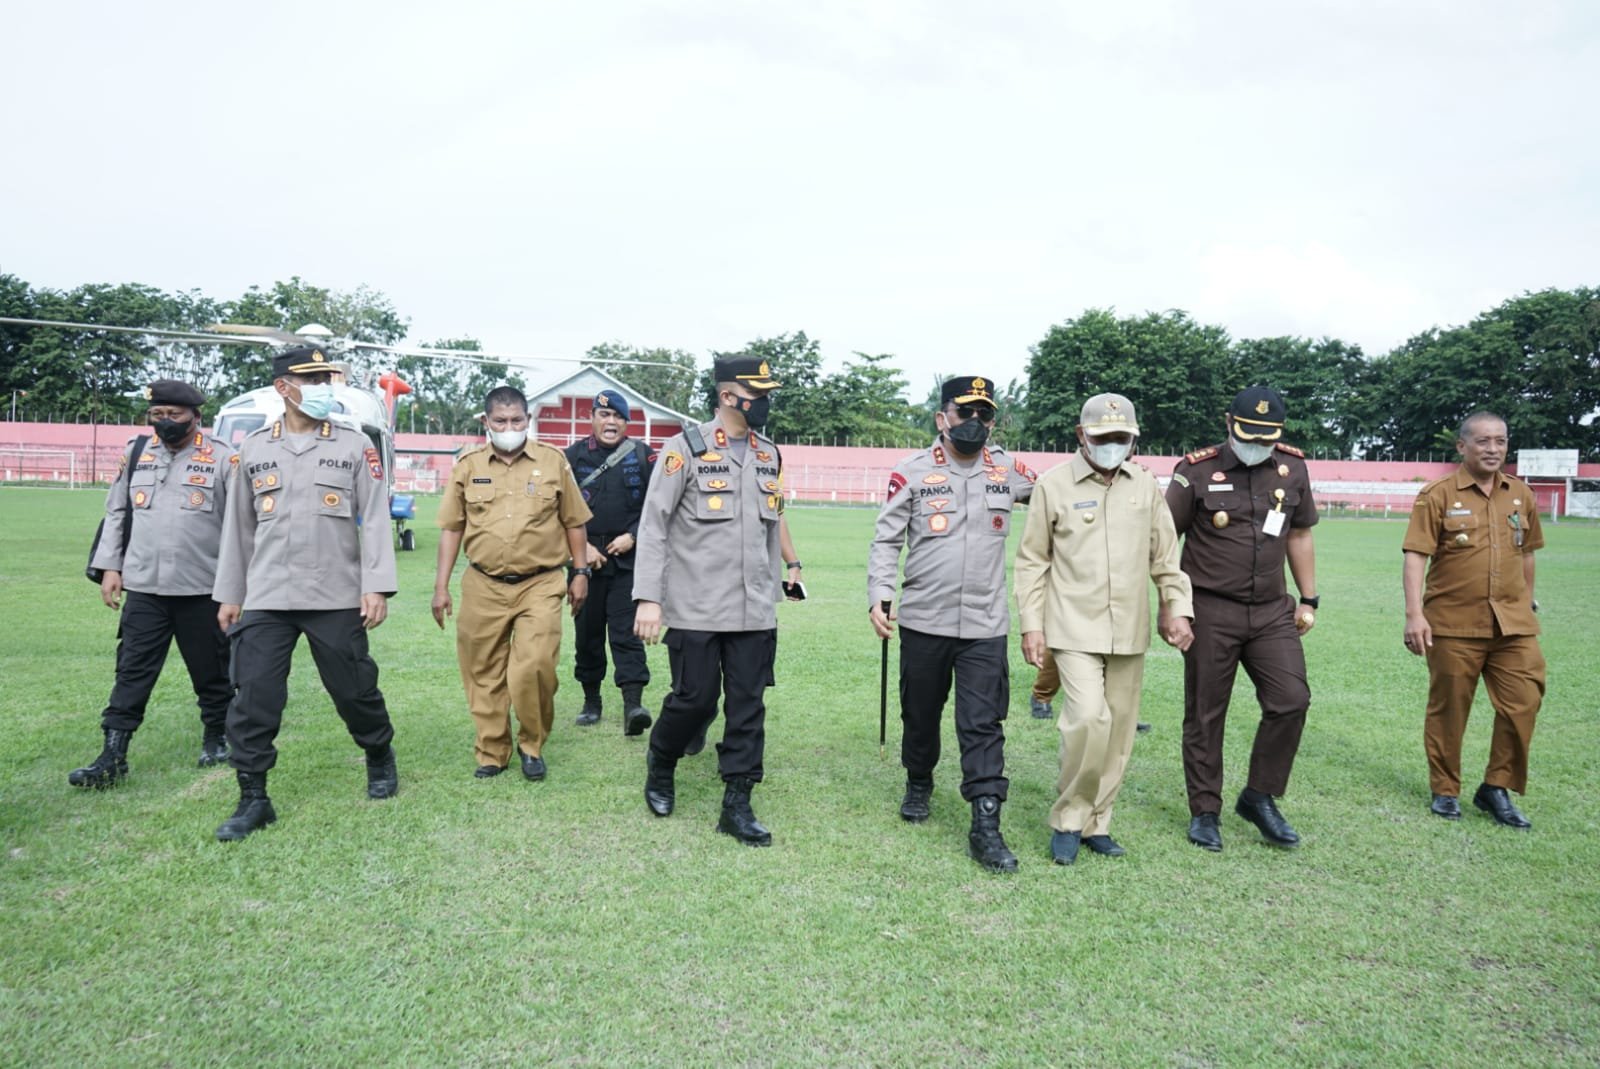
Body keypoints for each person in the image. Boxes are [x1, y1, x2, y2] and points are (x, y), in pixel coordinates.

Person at [210, 347, 401, 841]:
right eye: (311, 378)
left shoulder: (355, 445)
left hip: (335, 593)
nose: (322, 386)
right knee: (253, 695)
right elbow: (239, 528)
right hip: (268, 595)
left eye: (325, 377)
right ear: (283, 387)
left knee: (354, 688)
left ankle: (378, 753)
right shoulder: (252, 448)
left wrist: (376, 585)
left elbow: (376, 519)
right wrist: (231, 594)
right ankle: (253, 797)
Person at [868, 376, 1037, 872]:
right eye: (967, 414)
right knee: (920, 714)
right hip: (925, 620)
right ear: (943, 419)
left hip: (985, 624)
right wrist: (880, 594)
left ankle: (986, 823)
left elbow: (1056, 497)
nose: (976, 423)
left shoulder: (1007, 469)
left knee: (982, 723)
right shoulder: (913, 472)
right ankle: (919, 778)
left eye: (985, 414)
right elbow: (885, 540)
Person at [1015, 393, 1193, 865]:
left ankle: (1099, 822)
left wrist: (1177, 608)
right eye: (1104, 438)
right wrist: (1031, 624)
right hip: (1072, 626)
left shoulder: (1145, 488)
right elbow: (1033, 560)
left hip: (1129, 630)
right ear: (1081, 436)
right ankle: (1069, 818)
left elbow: (1166, 558)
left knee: (1117, 731)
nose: (1114, 445)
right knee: (1088, 719)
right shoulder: (1054, 486)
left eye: (1122, 438)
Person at [633, 354, 796, 847]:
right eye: (758, 394)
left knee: (747, 705)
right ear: (729, 396)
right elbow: (654, 526)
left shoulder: (769, 454)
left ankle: (738, 801)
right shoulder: (684, 450)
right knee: (694, 699)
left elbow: (773, 526)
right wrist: (648, 600)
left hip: (753, 609)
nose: (765, 403)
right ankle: (662, 759)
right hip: (696, 605)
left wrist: (786, 575)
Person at [1164, 386, 1319, 852]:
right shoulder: (1196, 471)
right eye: (1249, 434)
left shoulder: (1293, 469)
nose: (1258, 444)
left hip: (1273, 609)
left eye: (1267, 437)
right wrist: (1173, 607)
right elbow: (1162, 541)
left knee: (1291, 699)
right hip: (1210, 608)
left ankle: (1259, 795)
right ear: (1228, 422)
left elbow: (1299, 533)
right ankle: (1205, 811)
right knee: (1207, 713)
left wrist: (1309, 598)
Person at [70, 379, 237, 788]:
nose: (165, 422)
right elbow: (116, 513)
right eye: (157, 415)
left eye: (174, 415)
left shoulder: (223, 458)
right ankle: (113, 754)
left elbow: (239, 529)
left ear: (197, 417)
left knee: (211, 672)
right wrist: (110, 567)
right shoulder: (137, 452)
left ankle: (216, 737)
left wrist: (234, 589)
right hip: (145, 587)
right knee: (131, 670)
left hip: (202, 588)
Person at [433, 386, 592, 779]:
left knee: (534, 665)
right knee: (482, 670)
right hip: (482, 583)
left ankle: (531, 744)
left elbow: (574, 521)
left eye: (517, 420)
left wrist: (581, 572)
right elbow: (452, 529)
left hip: (539, 583)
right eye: (501, 421)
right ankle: (492, 750)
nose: (509, 428)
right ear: (486, 422)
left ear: (528, 421)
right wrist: (440, 587)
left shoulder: (553, 462)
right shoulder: (468, 466)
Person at [1402, 411, 1544, 829]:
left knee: (1525, 701)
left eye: (1500, 441)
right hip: (1453, 624)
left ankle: (1496, 787)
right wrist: (1415, 615)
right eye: (1483, 441)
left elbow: (1528, 552)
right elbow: (1416, 555)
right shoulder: (1439, 494)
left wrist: (1528, 602)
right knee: (1450, 710)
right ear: (1462, 446)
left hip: (1513, 625)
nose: (1494, 449)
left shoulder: (1520, 494)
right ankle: (1445, 790)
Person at [564, 389, 655, 736]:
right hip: (584, 563)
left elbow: (656, 507)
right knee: (587, 635)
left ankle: (633, 703)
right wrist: (582, 547)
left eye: (618, 417)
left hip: (627, 561)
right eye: (604, 416)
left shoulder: (644, 456)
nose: (611, 422)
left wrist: (633, 535)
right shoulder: (571, 457)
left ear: (626, 423)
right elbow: (558, 509)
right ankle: (591, 702)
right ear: (592, 418)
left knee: (627, 633)